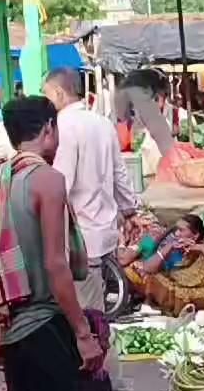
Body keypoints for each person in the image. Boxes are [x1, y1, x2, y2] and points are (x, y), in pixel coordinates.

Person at [0, 96, 109, 391]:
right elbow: (57, 264)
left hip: (14, 330)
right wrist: (82, 333)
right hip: (45, 324)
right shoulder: (48, 180)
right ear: (47, 130)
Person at [42, 67, 138, 312]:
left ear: (59, 93)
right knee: (96, 307)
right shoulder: (103, 123)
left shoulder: (63, 126)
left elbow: (61, 182)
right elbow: (120, 173)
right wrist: (129, 210)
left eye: (47, 95)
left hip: (81, 236)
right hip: (104, 231)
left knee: (88, 314)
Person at [119, 213, 204, 320]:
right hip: (178, 290)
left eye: (181, 230)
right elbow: (147, 268)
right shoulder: (171, 247)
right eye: (176, 230)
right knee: (152, 278)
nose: (176, 234)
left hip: (203, 293)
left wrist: (203, 250)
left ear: (195, 235)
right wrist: (168, 248)